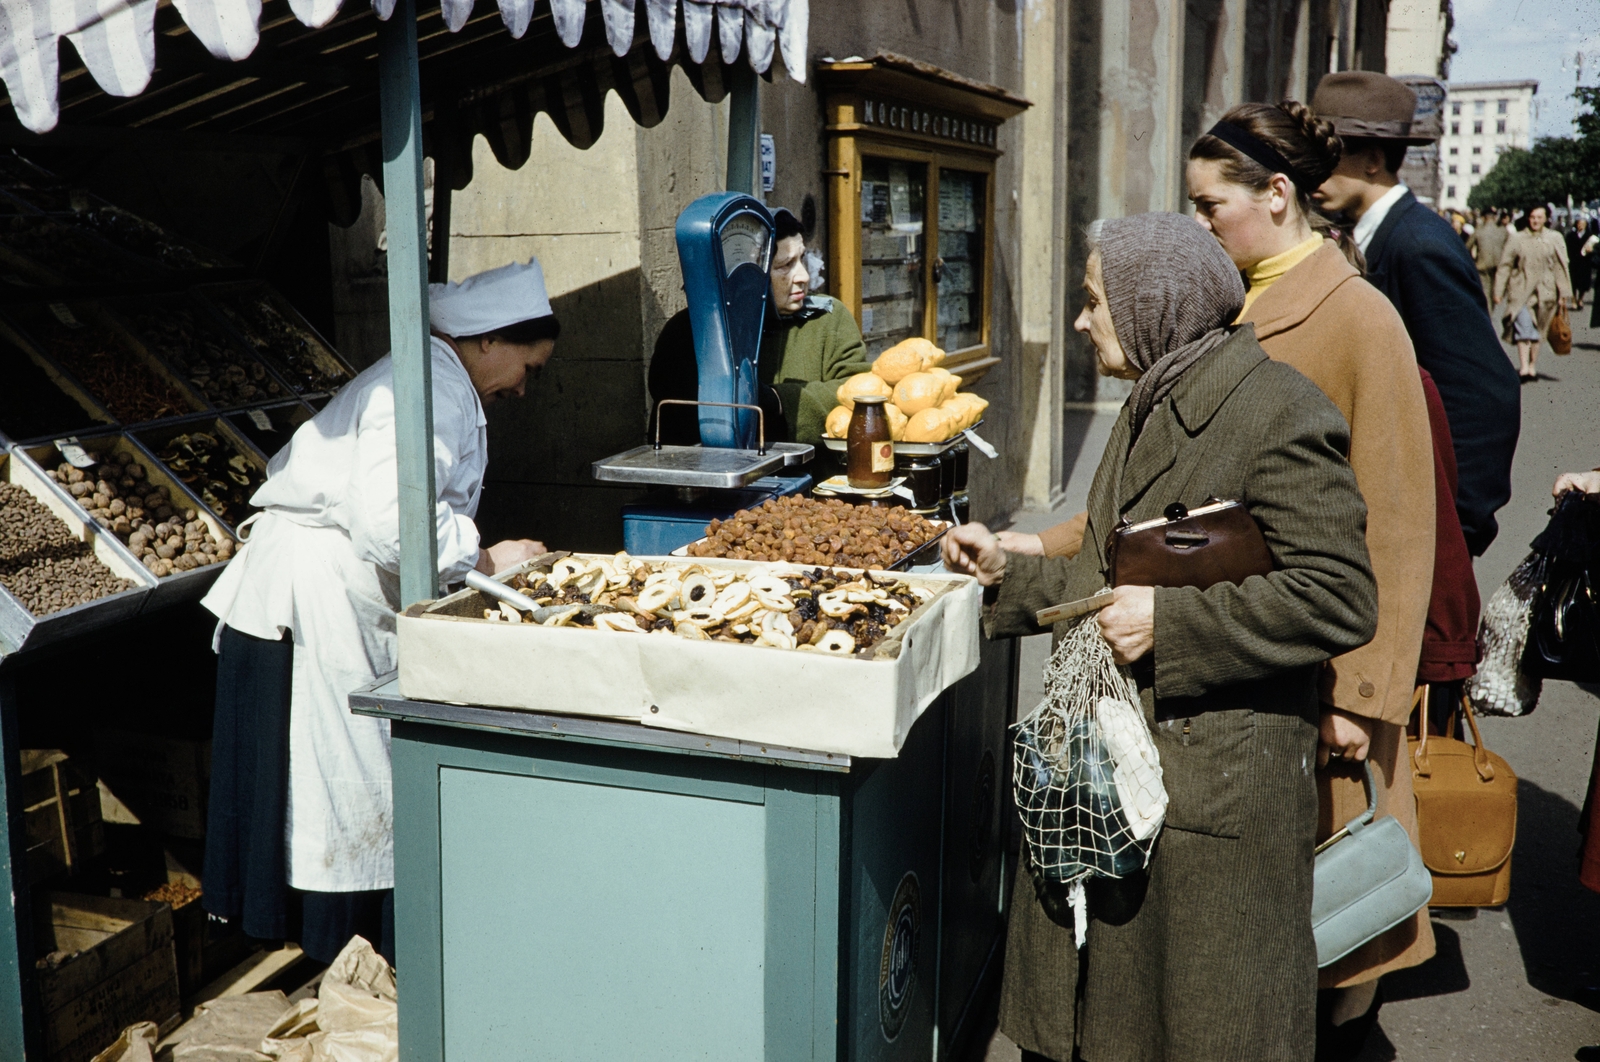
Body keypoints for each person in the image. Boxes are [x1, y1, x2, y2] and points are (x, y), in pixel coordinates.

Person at [954, 212, 1378, 1062]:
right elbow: (1108, 584)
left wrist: (1175, 624)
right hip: (1127, 772)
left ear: (1154, 306)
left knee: (1197, 1031)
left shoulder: (1278, 412)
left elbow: (1339, 595)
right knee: (1111, 1021)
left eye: (1092, 303)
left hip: (1211, 786)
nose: (1081, 323)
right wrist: (1006, 573)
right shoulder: (1157, 396)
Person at [199, 259, 558, 964]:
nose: (525, 384)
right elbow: (395, 525)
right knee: (335, 791)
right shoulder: (418, 391)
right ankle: (341, 962)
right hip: (308, 604)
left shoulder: (444, 383)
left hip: (335, 597)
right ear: (487, 341)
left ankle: (346, 961)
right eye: (528, 365)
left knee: (349, 788)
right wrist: (489, 561)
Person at [1183, 101, 1440, 1051]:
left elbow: (1402, 527)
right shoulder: (1239, 303)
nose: (1200, 225)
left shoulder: (1359, 316)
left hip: (1327, 683)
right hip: (1249, 661)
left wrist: (1363, 701)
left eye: (1212, 206)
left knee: (1335, 945)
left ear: (1278, 195)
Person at [1310, 71, 1521, 557]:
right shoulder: (1373, 235)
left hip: (1419, 532)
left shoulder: (1418, 245)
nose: (1311, 174)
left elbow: (1483, 394)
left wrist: (1455, 530)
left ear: (1373, 160)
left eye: (1326, 158)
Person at [648, 207, 869, 449]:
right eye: (785, 265)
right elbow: (672, 426)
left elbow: (860, 391)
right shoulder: (688, 332)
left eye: (802, 259)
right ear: (748, 275)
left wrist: (779, 400)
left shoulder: (828, 320)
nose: (803, 276)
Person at [1494, 204, 1573, 381]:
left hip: (1547, 293)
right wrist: (1498, 291)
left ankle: (1532, 366)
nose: (1535, 221)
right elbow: (1505, 265)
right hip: (1521, 291)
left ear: (1546, 219)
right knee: (1524, 329)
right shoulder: (1517, 238)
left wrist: (1564, 294)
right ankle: (1523, 368)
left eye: (1539, 217)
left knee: (1539, 332)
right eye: (1532, 217)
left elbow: (1561, 267)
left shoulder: (1554, 238)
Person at [1467, 209, 1511, 307]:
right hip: (1499, 268)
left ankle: (1488, 317)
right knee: (1495, 295)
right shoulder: (1503, 231)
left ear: (1483, 218)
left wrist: (1473, 261)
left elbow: (1467, 247)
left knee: (1485, 295)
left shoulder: (1478, 231)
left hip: (1482, 268)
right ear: (1495, 217)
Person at [1566, 215, 1591, 311]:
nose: (1580, 226)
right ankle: (1573, 300)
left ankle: (1580, 299)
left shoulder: (1589, 236)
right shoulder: (1571, 235)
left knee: (1583, 284)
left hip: (1585, 262)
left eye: (1583, 224)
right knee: (1573, 282)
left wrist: (1591, 250)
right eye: (1579, 224)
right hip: (1574, 262)